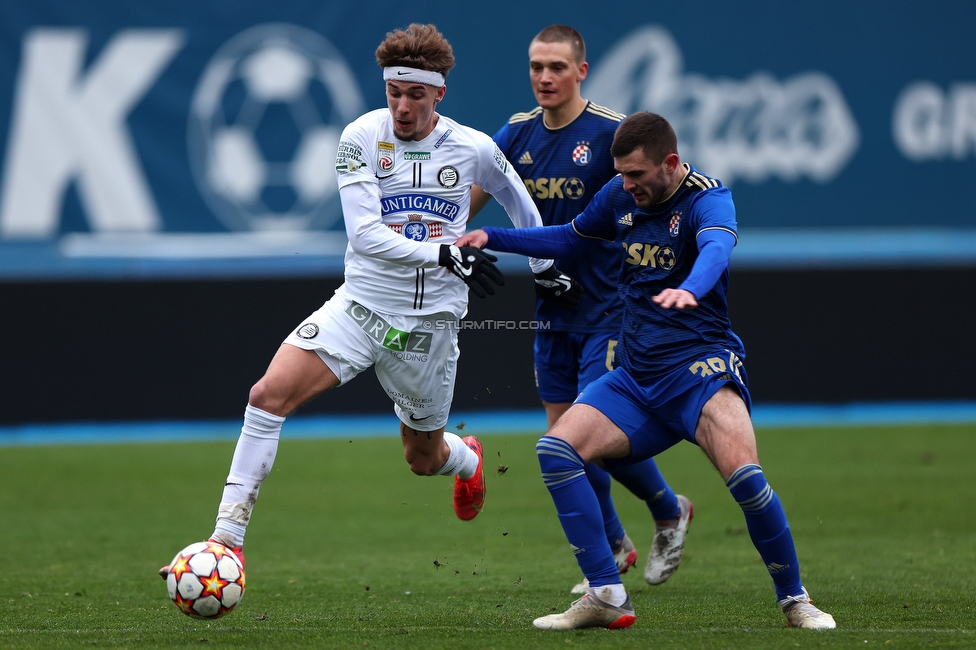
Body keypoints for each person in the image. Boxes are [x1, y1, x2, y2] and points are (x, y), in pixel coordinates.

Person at [159, 23, 569, 579]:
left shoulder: (474, 148)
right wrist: (446, 253)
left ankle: (466, 458)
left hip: (427, 327)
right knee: (266, 395)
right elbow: (364, 236)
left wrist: (547, 271)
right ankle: (227, 539)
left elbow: (522, 207)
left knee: (422, 459)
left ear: (439, 94)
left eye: (416, 95)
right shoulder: (360, 137)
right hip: (359, 307)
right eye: (394, 92)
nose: (402, 106)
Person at [456, 112, 836, 631]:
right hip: (636, 377)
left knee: (747, 481)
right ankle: (606, 594)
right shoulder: (618, 195)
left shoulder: (708, 197)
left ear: (671, 163)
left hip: (699, 372)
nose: (625, 184)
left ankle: (795, 600)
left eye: (636, 175)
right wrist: (492, 237)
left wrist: (693, 288)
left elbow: (717, 249)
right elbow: (569, 238)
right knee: (556, 449)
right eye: (621, 173)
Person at [469, 25, 692, 594]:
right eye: (536, 66)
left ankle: (667, 509)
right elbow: (467, 196)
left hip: (609, 309)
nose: (545, 77)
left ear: (581, 71)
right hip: (552, 310)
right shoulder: (516, 136)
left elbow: (665, 198)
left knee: (592, 433)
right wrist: (441, 236)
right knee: (562, 440)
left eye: (557, 67)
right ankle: (615, 543)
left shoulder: (611, 133)